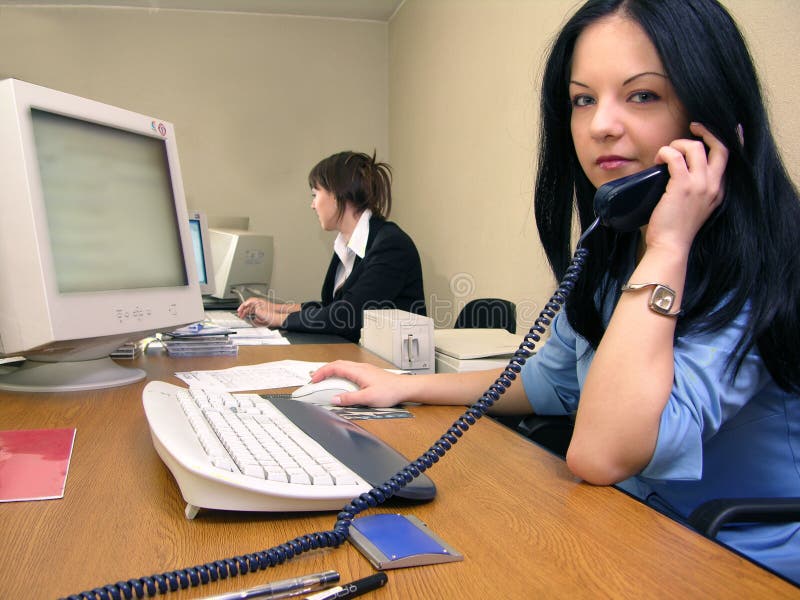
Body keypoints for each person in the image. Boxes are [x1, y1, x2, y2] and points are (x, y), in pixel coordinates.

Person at [310, 0, 800, 585]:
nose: (600, 125)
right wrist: (406, 386)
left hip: (739, 561)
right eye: (583, 99)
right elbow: (548, 381)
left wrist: (669, 248)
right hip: (635, 528)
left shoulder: (755, 262)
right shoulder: (618, 250)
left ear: (714, 116)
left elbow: (603, 451)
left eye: (642, 95)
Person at [237, 151, 426, 342]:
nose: (313, 205)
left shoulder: (391, 246)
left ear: (336, 194)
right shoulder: (347, 244)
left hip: (391, 364)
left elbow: (346, 317)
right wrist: (275, 308)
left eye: (315, 194)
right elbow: (331, 308)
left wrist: (277, 319)